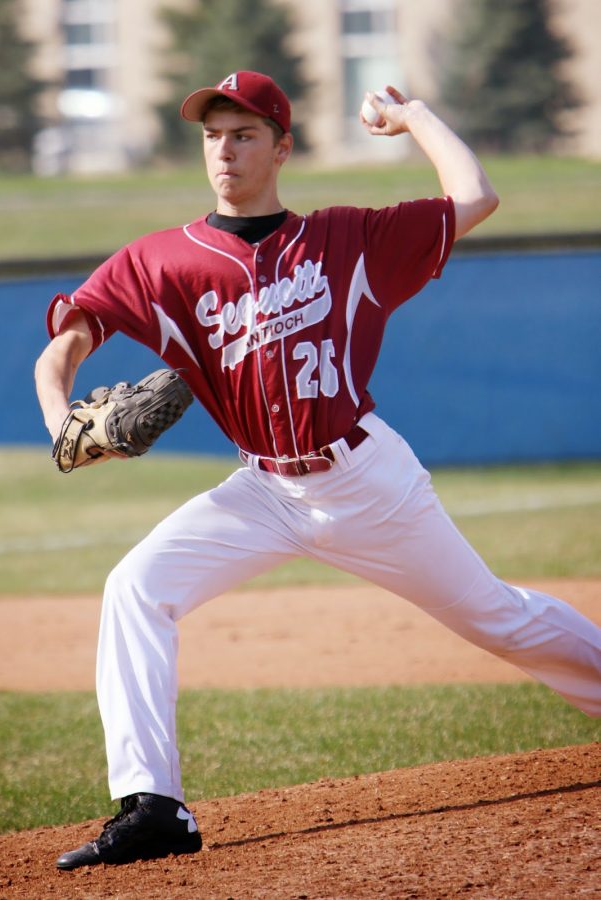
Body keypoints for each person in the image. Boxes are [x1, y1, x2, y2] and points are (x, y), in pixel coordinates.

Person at [35, 70, 601, 870]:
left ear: (282, 146)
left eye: (244, 133)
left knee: (497, 619)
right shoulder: (161, 262)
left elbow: (474, 196)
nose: (224, 150)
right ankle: (154, 805)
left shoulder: (346, 239)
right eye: (212, 135)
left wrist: (417, 118)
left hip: (367, 483)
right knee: (135, 586)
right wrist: (62, 420)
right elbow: (64, 347)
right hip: (263, 490)